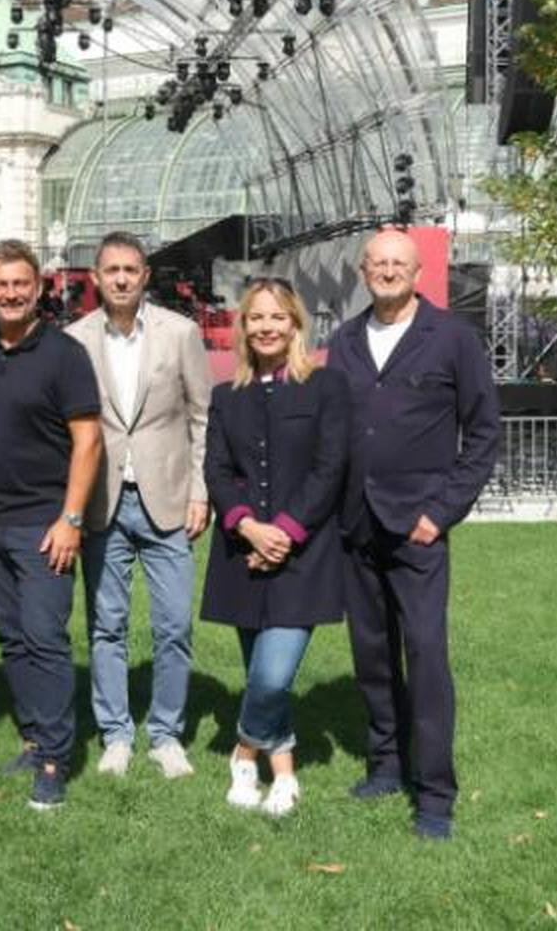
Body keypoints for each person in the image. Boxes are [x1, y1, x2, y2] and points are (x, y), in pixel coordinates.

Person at [328, 228, 499, 840]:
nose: (388, 271)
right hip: (357, 526)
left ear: (418, 271)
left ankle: (434, 795)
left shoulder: (452, 338)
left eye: (399, 262)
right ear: (363, 270)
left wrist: (442, 511)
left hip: (419, 529)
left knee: (425, 658)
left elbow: (482, 437)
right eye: (378, 263)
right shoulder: (345, 341)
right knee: (372, 658)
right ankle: (386, 765)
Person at [0, 239, 102, 811]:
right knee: (13, 639)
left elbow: (88, 440)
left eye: (22, 284)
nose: (12, 294)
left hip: (43, 525)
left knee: (45, 638)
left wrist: (70, 519)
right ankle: (32, 735)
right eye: (1, 286)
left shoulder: (65, 354)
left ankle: (54, 758)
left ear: (39, 288)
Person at [201, 279, 350, 817]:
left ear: (295, 325)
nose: (266, 327)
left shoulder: (326, 387)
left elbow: (329, 468)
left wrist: (284, 530)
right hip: (243, 555)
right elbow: (217, 470)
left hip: (303, 556)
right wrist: (247, 528)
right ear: (244, 328)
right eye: (255, 318)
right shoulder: (227, 397)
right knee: (262, 676)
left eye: (276, 318)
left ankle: (243, 754)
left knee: (272, 675)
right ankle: (283, 774)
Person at [65, 231, 211, 779]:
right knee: (107, 625)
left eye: (131, 269)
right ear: (96, 278)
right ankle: (116, 734)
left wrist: (200, 490)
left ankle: (167, 735)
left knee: (174, 625)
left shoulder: (181, 334)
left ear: (146, 275)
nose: (122, 279)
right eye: (111, 270)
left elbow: (202, 418)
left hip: (169, 501)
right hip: (103, 503)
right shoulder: (75, 339)